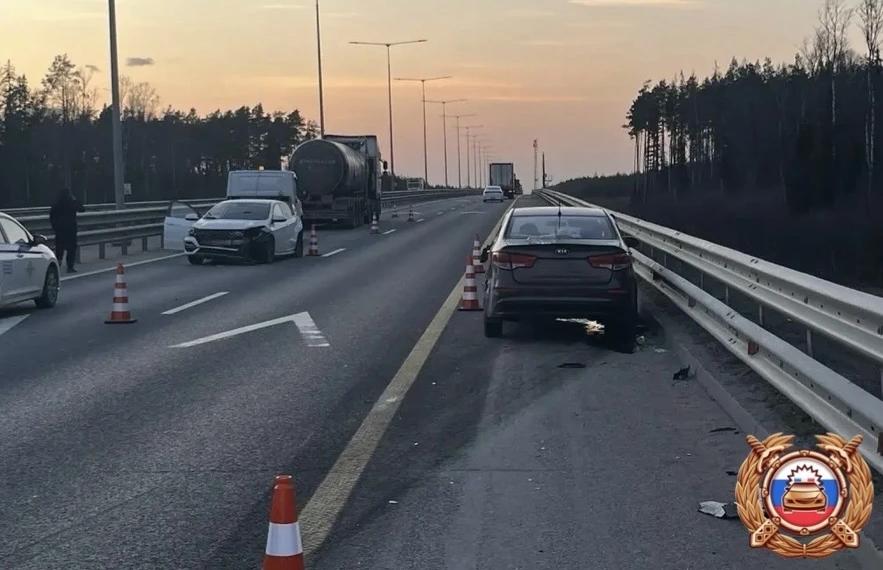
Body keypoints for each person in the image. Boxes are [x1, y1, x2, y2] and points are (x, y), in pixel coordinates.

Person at [49, 188, 85, 273]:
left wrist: (55, 227)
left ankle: (58, 265)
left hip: (60, 230)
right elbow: (82, 209)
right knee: (71, 248)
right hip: (71, 229)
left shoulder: (56, 204)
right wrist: (75, 199)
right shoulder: (71, 202)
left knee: (59, 248)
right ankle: (70, 266)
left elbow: (52, 217)